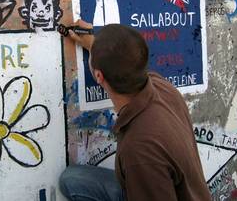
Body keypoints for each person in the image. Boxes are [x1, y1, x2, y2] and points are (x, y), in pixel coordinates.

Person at [59, 20, 211, 201]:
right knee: (72, 180)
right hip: (171, 187)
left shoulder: (139, 149)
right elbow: (124, 61)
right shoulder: (160, 85)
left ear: (99, 76)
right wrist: (95, 46)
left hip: (153, 186)